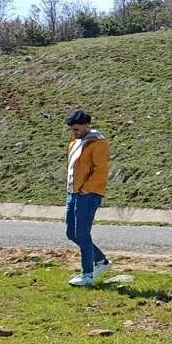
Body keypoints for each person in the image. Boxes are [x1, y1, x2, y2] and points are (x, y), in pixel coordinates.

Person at [65, 109, 111, 286]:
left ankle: (87, 275)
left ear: (87, 126)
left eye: (76, 129)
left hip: (88, 194)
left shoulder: (98, 144)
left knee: (83, 235)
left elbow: (101, 172)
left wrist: (85, 190)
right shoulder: (75, 140)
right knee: (72, 233)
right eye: (72, 130)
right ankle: (102, 262)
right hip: (73, 193)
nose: (73, 133)